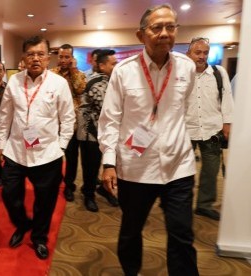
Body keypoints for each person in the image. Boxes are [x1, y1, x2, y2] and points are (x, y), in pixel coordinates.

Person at [98, 4, 199, 275]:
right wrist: (109, 163)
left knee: (182, 234)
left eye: (171, 27)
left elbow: (184, 109)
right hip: (135, 168)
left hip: (178, 166)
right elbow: (109, 120)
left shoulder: (187, 67)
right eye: (157, 27)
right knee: (131, 230)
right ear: (140, 35)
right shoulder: (124, 71)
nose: (164, 33)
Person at [0, 36, 75, 259]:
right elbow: (5, 115)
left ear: (48, 58)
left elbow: (68, 118)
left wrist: (61, 147)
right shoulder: (13, 81)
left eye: (40, 54)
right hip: (15, 151)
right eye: (30, 54)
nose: (35, 59)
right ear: (23, 58)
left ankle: (39, 237)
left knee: (45, 201)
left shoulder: (58, 84)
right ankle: (22, 224)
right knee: (10, 195)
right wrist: (1, 144)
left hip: (47, 154)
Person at [185, 37, 234, 221]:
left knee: (211, 171)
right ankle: (182, 204)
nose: (202, 56)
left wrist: (227, 124)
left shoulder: (218, 72)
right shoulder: (182, 74)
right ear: (189, 53)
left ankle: (204, 205)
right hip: (186, 130)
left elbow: (227, 98)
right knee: (184, 171)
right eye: (198, 52)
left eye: (205, 52)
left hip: (212, 130)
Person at [76, 49, 119, 212]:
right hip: (91, 133)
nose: (116, 66)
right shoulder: (97, 83)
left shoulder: (112, 81)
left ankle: (104, 189)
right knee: (90, 168)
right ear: (102, 66)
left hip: (106, 133)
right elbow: (106, 111)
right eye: (113, 63)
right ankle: (88, 195)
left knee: (109, 165)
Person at [50, 44, 86, 204]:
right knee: (53, 157)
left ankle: (69, 186)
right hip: (52, 123)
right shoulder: (50, 74)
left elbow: (79, 90)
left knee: (71, 158)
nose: (63, 60)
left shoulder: (79, 74)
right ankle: (53, 183)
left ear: (72, 58)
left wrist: (73, 70)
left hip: (71, 124)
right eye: (61, 56)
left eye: (67, 57)